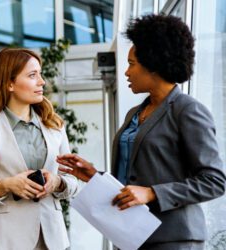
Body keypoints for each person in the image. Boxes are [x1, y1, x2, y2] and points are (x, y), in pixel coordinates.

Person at [57, 14, 226, 250]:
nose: (126, 72)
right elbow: (136, 174)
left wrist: (152, 194)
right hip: (130, 236)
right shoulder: (134, 114)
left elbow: (215, 181)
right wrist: (95, 176)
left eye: (132, 64)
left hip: (173, 240)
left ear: (153, 64)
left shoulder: (187, 110)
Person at [0, 48, 79, 250]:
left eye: (40, 74)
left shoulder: (55, 126)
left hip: (53, 240)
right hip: (4, 240)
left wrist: (57, 182)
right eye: (32, 75)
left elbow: (73, 183)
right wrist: (6, 185)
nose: (42, 81)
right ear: (9, 83)